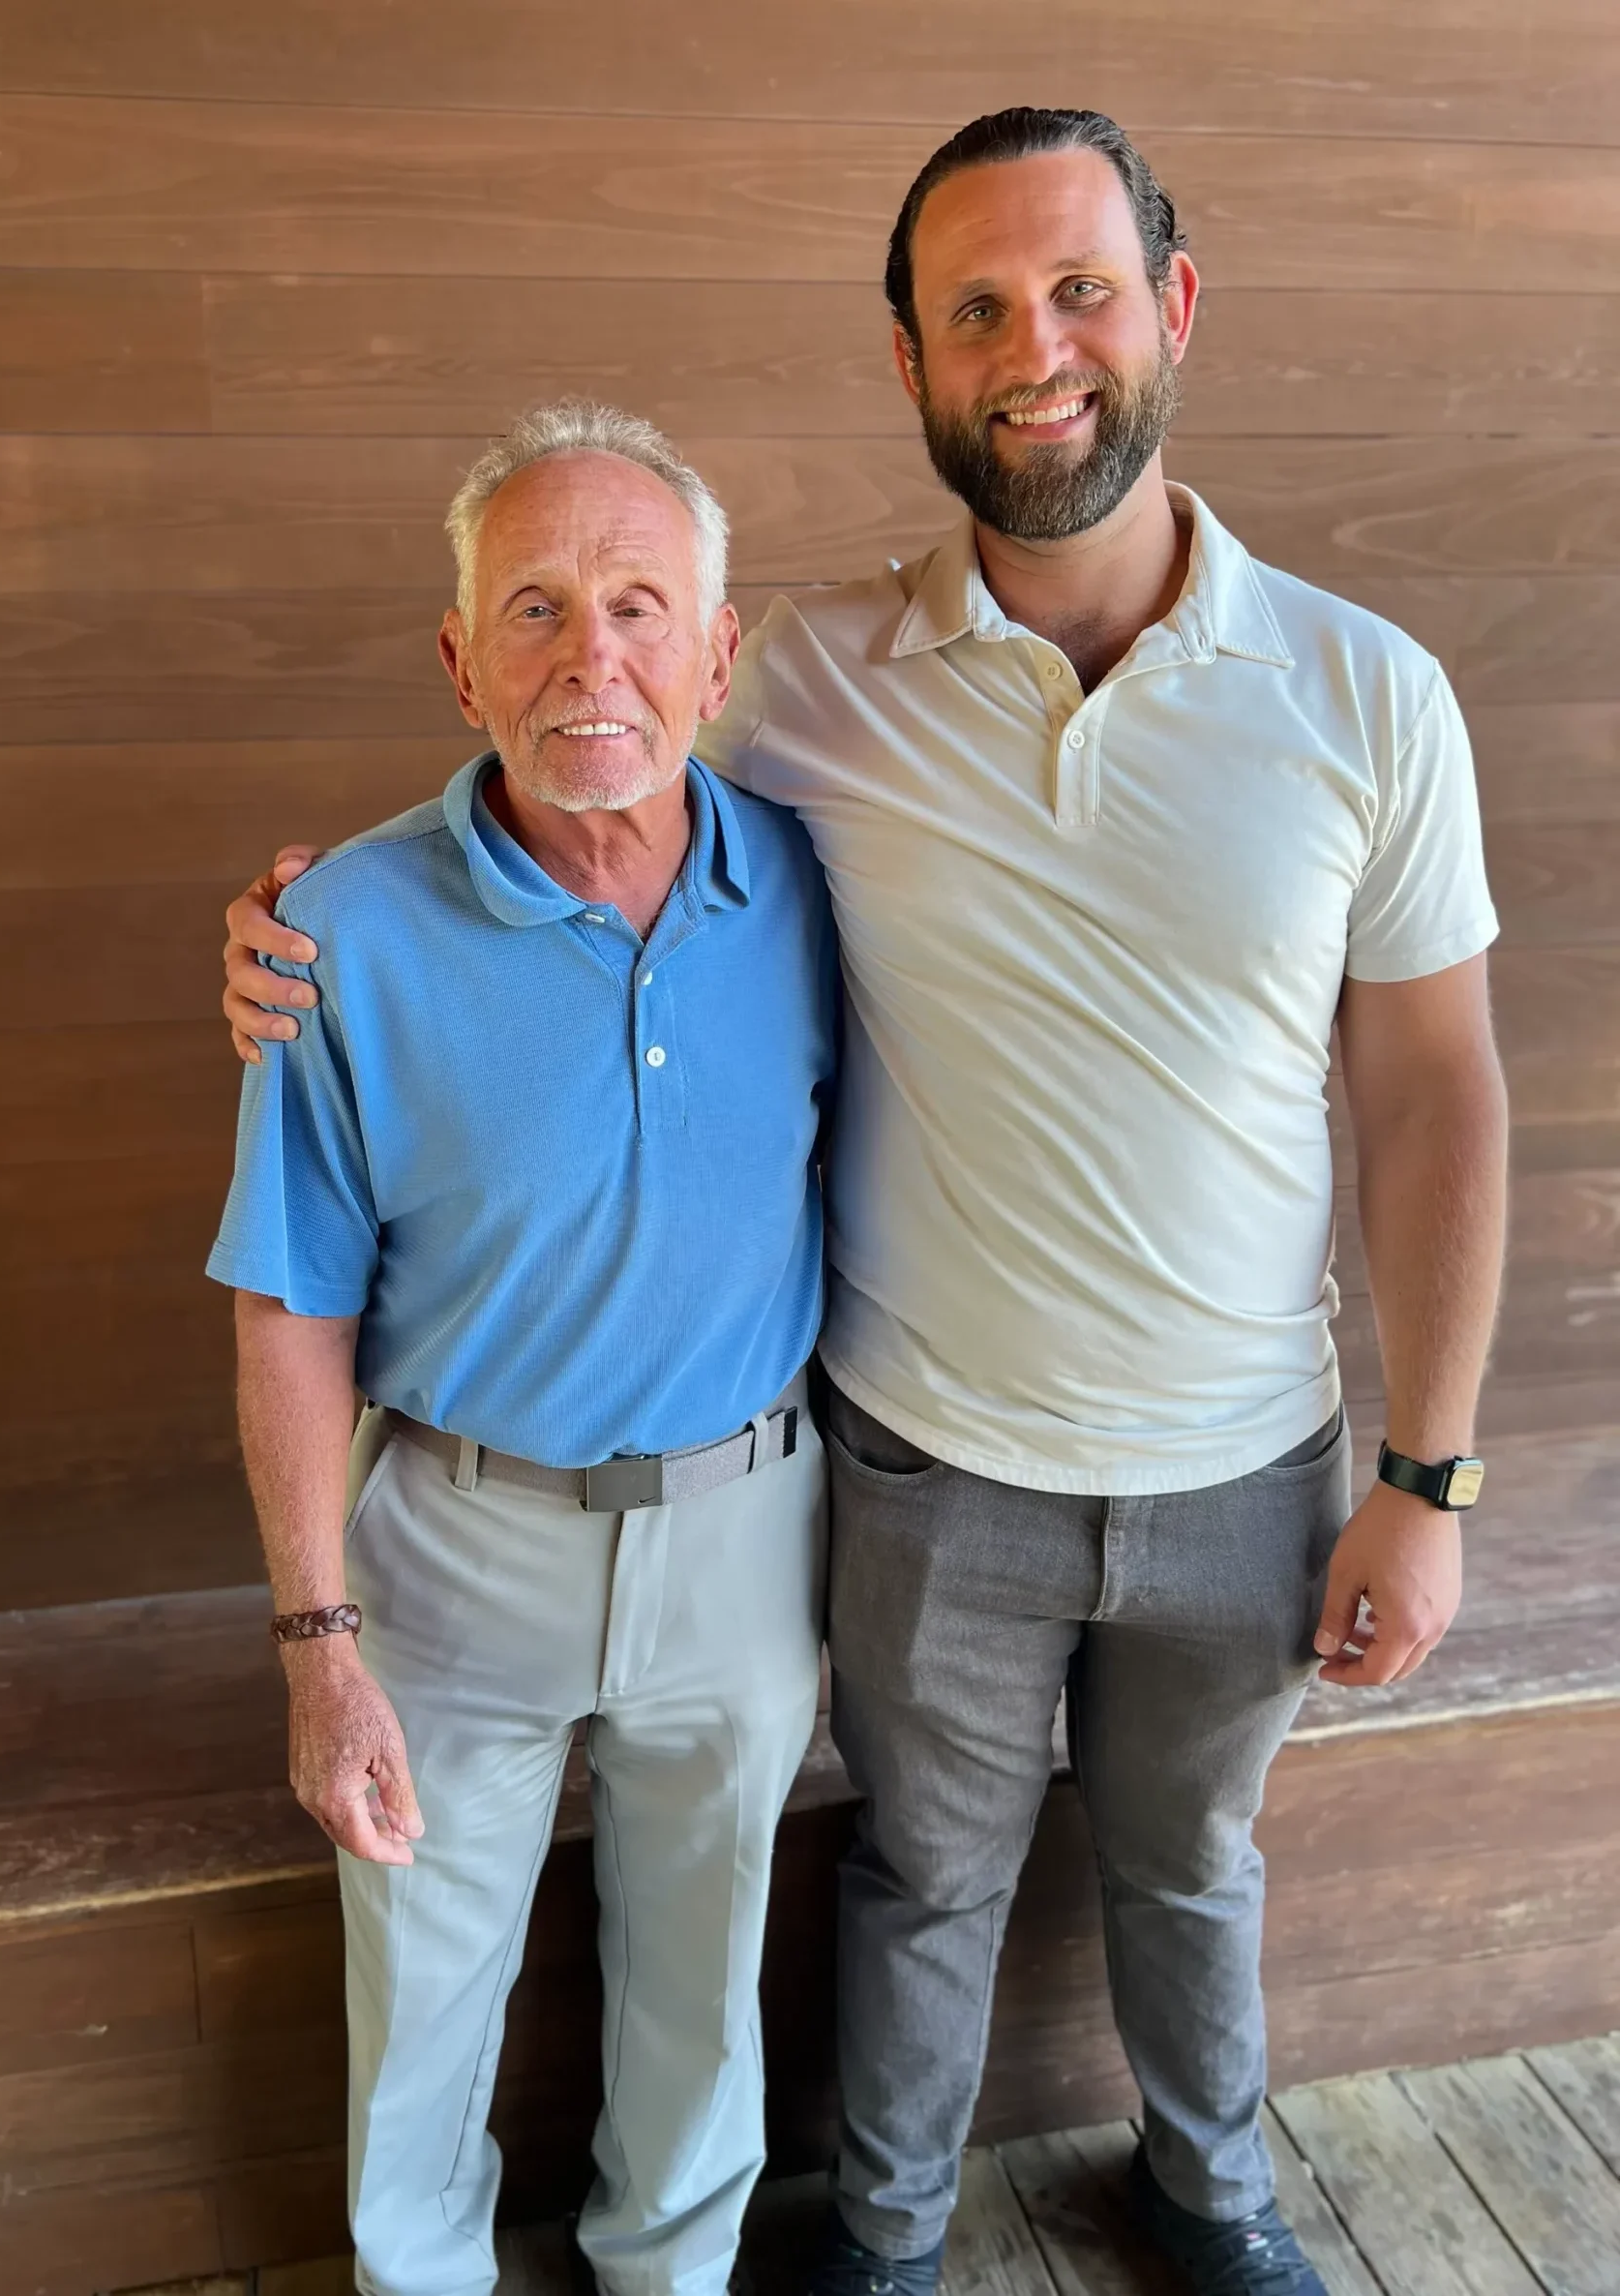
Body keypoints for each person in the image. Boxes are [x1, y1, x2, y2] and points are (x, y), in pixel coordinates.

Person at [220, 110, 1507, 2296]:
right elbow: (561, 761)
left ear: (1172, 309)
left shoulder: (1360, 693)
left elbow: (1437, 1088)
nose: (1038, 348)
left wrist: (1433, 1466)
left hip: (1177, 1462)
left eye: (1082, 290)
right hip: (895, 1466)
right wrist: (293, 931)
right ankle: (883, 2249)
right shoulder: (810, 680)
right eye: (977, 308)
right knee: (906, 1875)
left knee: (1175, 1862)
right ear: (909, 359)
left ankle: (1208, 2199)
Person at [207, 400, 837, 2296]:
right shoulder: (334, 937)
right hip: (454, 1551)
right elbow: (289, 1305)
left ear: (720, 653)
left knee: (700, 1993)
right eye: (539, 607)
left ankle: (672, 2276)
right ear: (459, 656)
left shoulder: (825, 882)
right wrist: (317, 1645)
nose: (595, 661)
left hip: (748, 1533)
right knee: (420, 2006)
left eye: (643, 604)